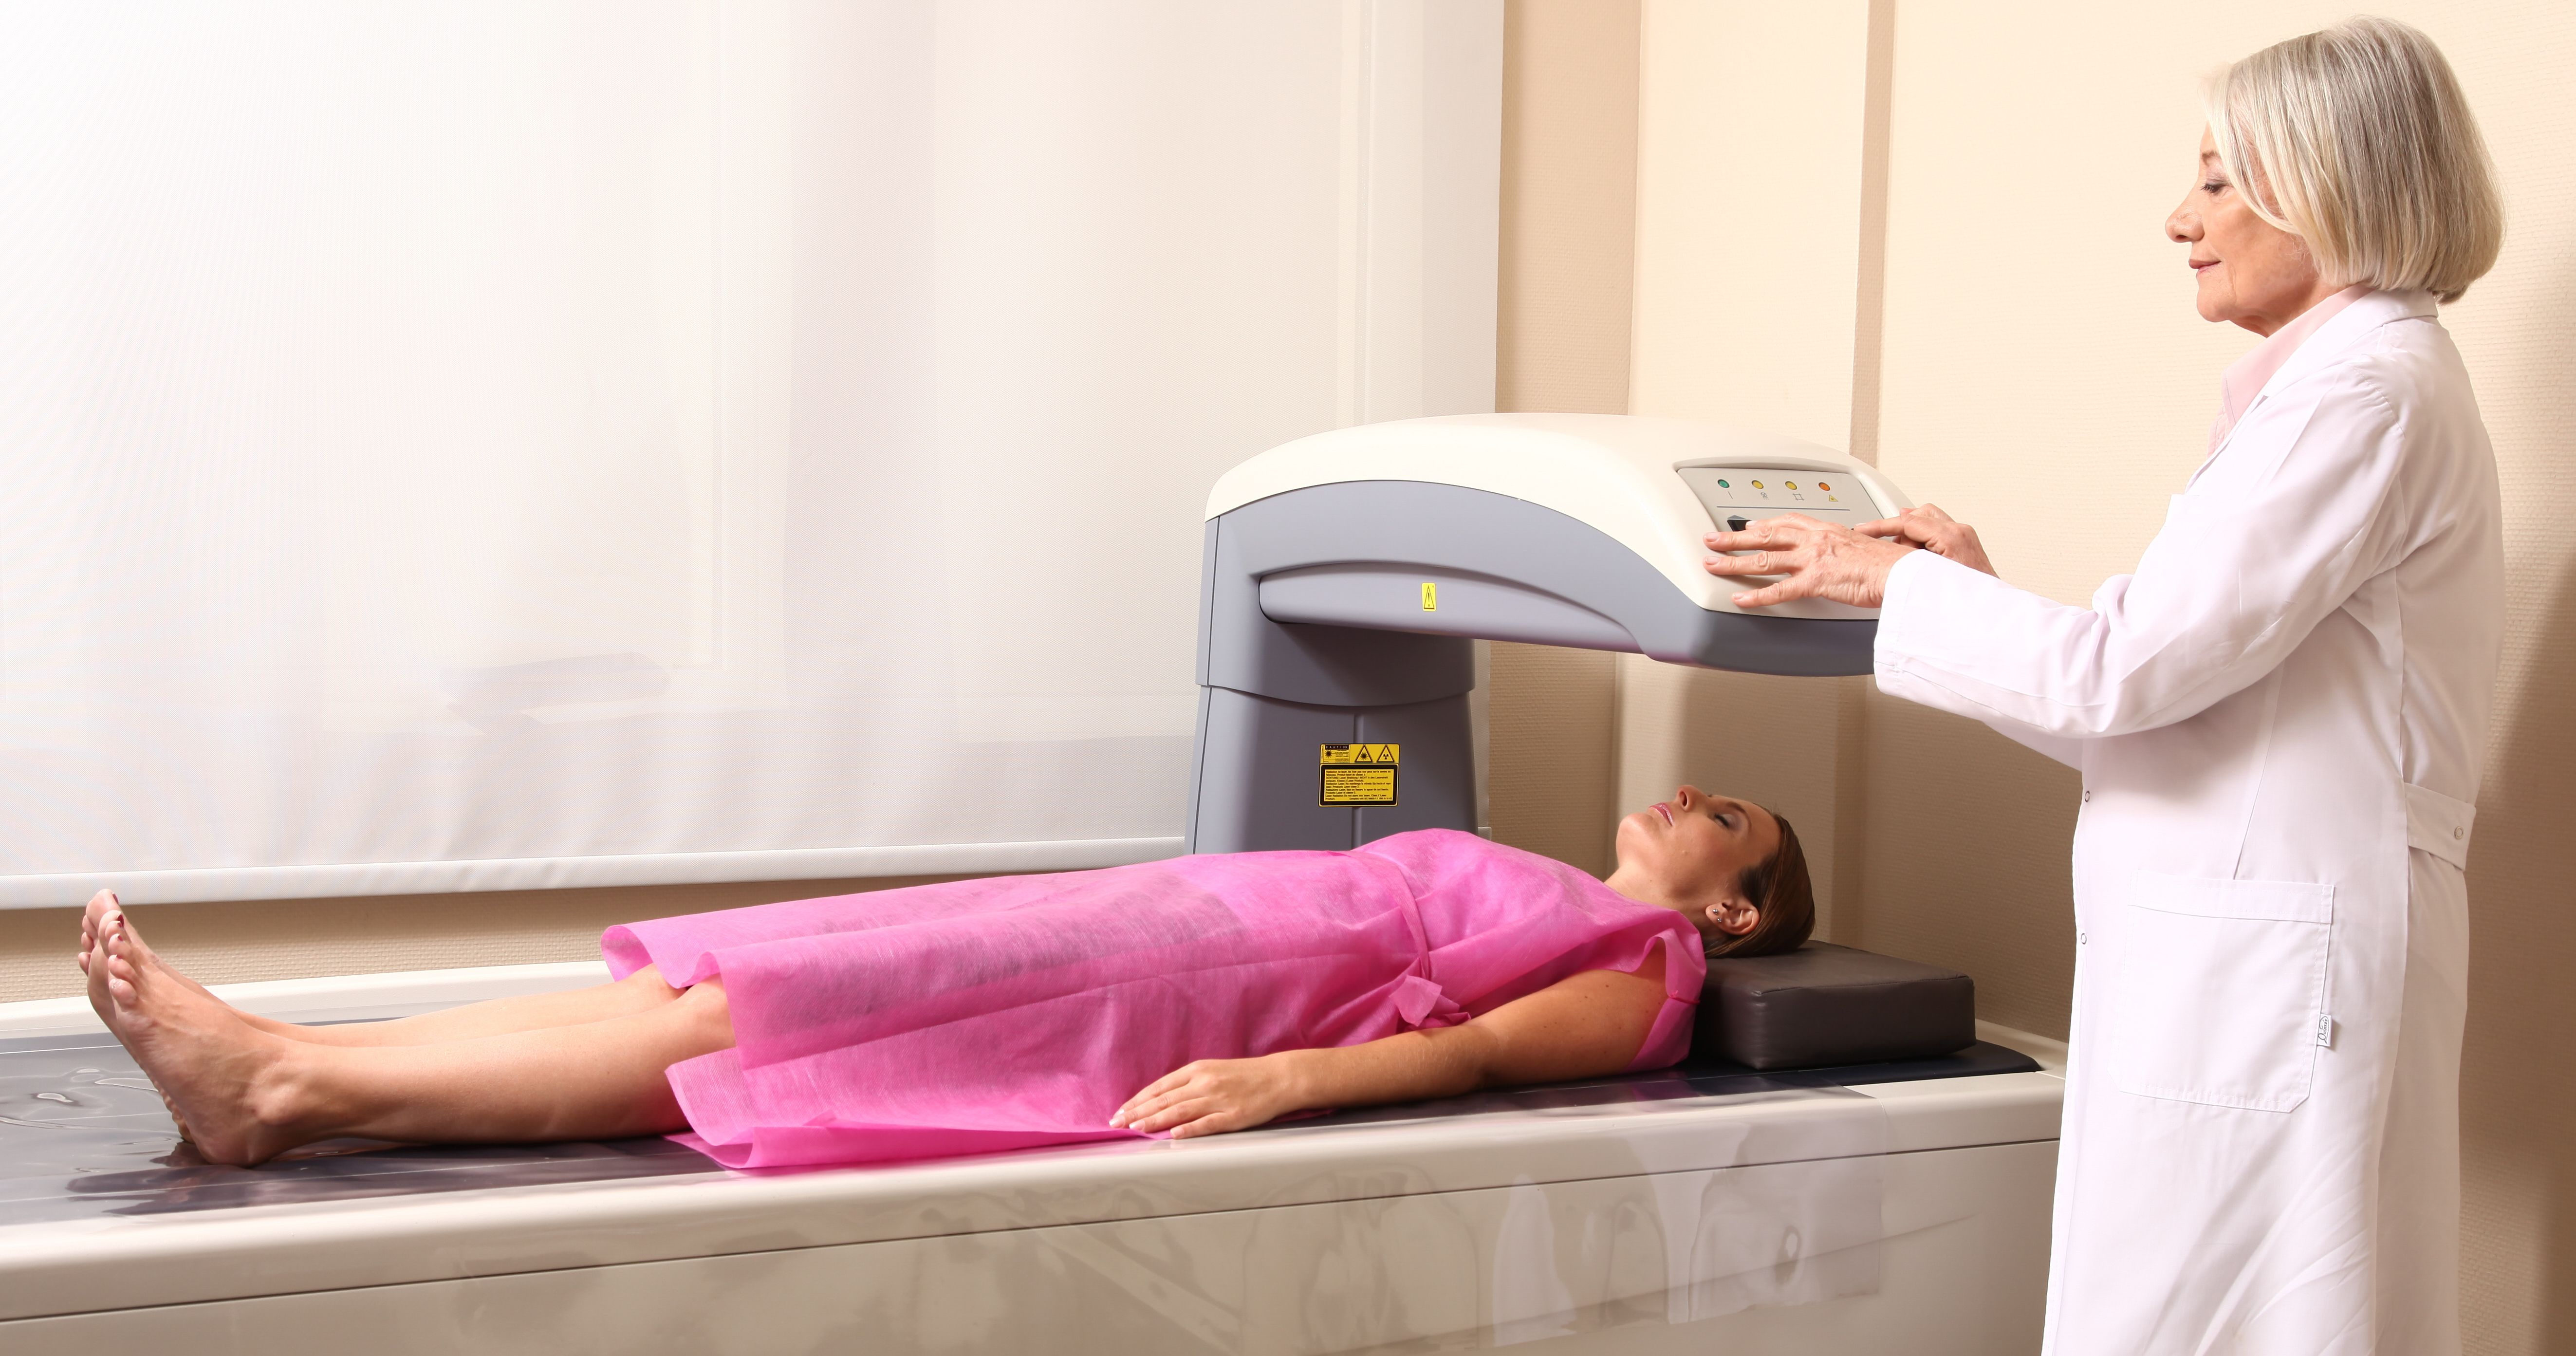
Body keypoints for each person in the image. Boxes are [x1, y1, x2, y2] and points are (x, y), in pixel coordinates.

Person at [1703, 18, 2502, 1355]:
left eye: (2214, 177)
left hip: (2277, 969)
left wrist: (1884, 579)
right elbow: (2160, 699)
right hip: (2244, 956)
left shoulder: (2362, 396)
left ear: (2333, 184)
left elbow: (2128, 677)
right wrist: (1975, 588)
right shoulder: (2325, 393)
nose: (2177, 218)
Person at [75, 785, 1811, 1171]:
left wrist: (1278, 1084)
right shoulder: (1558, 869)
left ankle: (286, 1092)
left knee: (749, 1031)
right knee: (727, 969)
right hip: (1179, 915)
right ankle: (288, 1049)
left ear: (1731, 915)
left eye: (1723, 820)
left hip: (1207, 998)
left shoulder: (1641, 957)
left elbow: (1482, 1060)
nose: (1682, 804)